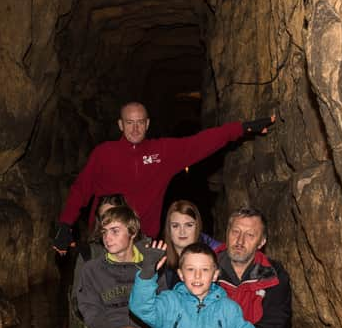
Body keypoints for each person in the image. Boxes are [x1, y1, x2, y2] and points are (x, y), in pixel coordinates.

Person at [52, 102, 275, 252]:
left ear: (148, 124)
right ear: (120, 125)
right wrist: (65, 224)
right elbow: (81, 188)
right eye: (130, 122)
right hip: (103, 239)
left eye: (140, 122)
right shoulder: (104, 153)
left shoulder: (162, 152)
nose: (135, 128)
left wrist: (242, 128)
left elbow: (201, 142)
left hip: (141, 241)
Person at [129, 241, 299, 328]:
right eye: (190, 269)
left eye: (204, 270)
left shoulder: (227, 309)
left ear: (215, 274)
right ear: (180, 274)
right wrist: (146, 273)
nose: (197, 276)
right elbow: (141, 306)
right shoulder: (169, 302)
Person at [216, 207, 293, 328]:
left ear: (261, 242)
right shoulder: (205, 267)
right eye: (235, 232)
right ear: (227, 233)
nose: (240, 240)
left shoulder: (274, 276)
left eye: (250, 235)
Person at [75, 206, 159, 328]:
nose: (107, 238)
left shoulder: (150, 265)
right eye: (104, 232)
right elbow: (93, 318)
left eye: (114, 231)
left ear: (132, 232)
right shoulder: (92, 270)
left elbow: (163, 308)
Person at [160, 200, 222, 289]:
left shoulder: (216, 257)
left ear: (197, 227)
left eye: (189, 225)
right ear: (168, 229)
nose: (182, 231)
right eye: (175, 226)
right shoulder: (158, 261)